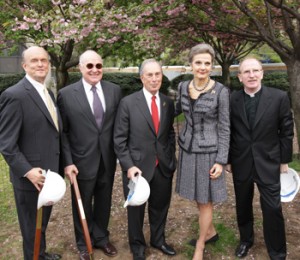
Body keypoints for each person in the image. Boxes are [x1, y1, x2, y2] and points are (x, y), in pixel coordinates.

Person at [227, 57, 294, 259]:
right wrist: (228, 160)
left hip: (269, 162)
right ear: (240, 77)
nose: (252, 75)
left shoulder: (279, 97)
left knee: (273, 208)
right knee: (243, 205)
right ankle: (246, 241)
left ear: (262, 73)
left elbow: (287, 132)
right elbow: (228, 131)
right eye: (246, 72)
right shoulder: (232, 99)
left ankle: (277, 251)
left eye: (255, 71)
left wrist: (284, 161)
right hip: (242, 162)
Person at [57, 50, 122, 260]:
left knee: (104, 201)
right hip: (81, 161)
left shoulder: (114, 91)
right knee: (81, 203)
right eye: (90, 66)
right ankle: (84, 242)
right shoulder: (66, 94)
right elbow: (63, 133)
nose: (95, 70)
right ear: (80, 68)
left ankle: (102, 238)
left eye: (99, 66)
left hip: (107, 158)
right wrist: (68, 162)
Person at [0, 46, 62, 260]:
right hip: (30, 178)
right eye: (34, 60)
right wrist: (27, 171)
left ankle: (40, 254)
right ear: (24, 65)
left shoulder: (48, 93)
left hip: (49, 175)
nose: (40, 64)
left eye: (44, 60)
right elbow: (6, 143)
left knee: (41, 224)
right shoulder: (14, 95)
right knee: (30, 229)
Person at [114, 59, 177, 260]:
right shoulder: (128, 103)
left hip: (163, 167)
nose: (154, 78)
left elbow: (169, 134)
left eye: (157, 74)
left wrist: (170, 158)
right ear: (142, 78)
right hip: (137, 169)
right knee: (136, 210)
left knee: (160, 207)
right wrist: (129, 166)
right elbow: (119, 139)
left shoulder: (168, 102)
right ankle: (137, 246)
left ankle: (158, 240)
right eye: (149, 75)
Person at [174, 43, 230, 260]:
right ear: (191, 64)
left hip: (209, 153)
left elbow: (225, 127)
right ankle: (211, 231)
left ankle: (200, 244)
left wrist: (221, 160)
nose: (203, 67)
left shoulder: (221, 92)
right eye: (198, 62)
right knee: (198, 197)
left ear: (212, 65)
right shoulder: (182, 87)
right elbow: (176, 110)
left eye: (207, 63)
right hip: (188, 150)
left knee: (205, 199)